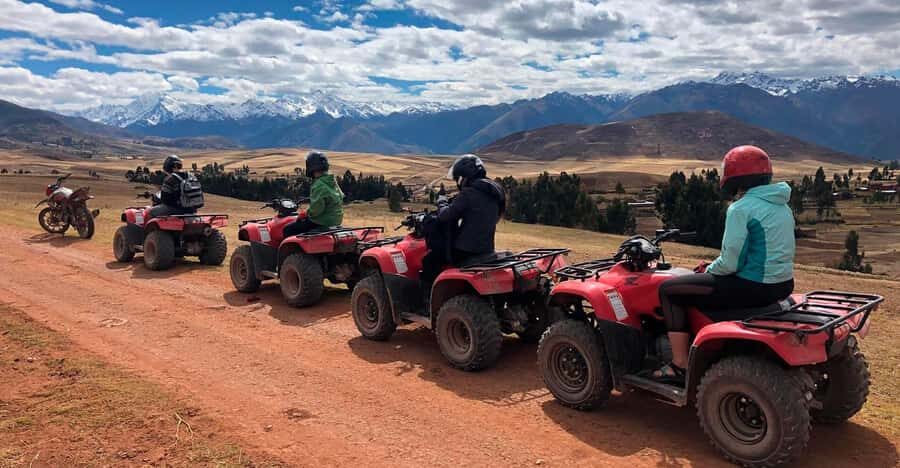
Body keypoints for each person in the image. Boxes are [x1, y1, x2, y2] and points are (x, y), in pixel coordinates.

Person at [652, 145, 795, 384]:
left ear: (734, 176)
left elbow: (730, 263)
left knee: (669, 290)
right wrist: (715, 266)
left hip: (753, 286)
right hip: (782, 284)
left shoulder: (741, 208)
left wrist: (709, 269)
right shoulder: (781, 204)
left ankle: (679, 364)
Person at [420, 154, 506, 305]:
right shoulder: (496, 191)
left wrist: (441, 202)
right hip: (487, 248)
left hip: (465, 250)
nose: (459, 181)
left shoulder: (468, 193)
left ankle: (427, 302)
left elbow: (445, 216)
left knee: (429, 260)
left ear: (465, 176)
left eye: (458, 177)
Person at [283, 151, 344, 237]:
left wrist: (306, 213)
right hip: (336, 220)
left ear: (311, 166)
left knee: (288, 229)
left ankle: (288, 250)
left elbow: (317, 209)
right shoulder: (332, 181)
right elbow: (340, 197)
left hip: (321, 222)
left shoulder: (319, 184)